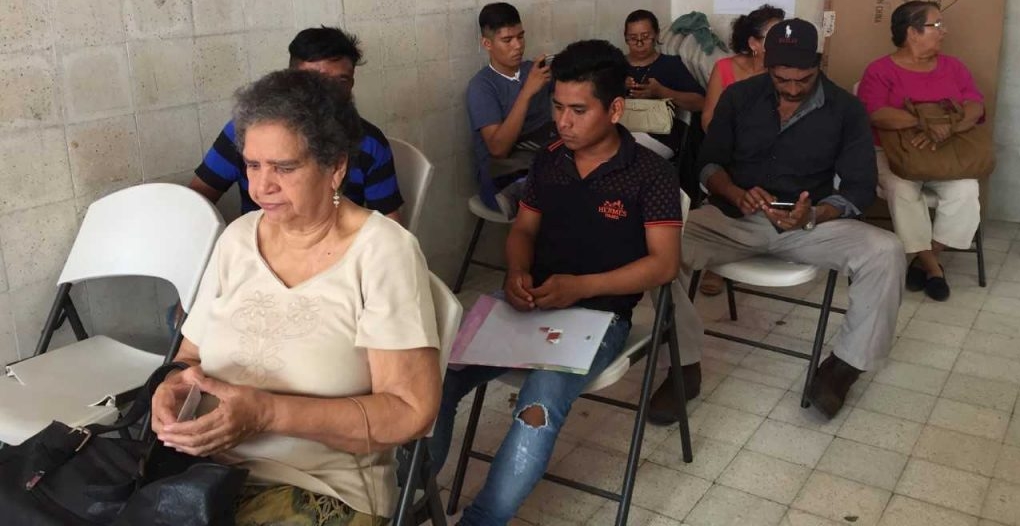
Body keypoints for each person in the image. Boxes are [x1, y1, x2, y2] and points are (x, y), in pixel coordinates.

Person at [152, 69, 440, 525]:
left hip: (321, 486)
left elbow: (409, 413)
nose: (261, 187)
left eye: (284, 168)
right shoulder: (238, 239)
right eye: (252, 165)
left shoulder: (383, 252)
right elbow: (189, 356)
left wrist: (266, 414)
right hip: (206, 475)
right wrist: (171, 389)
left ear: (336, 168)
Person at [430, 40, 686, 526]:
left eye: (578, 110)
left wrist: (580, 288)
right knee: (437, 375)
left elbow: (663, 265)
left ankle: (481, 521)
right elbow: (523, 231)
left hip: (600, 317)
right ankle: (413, 495)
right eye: (557, 107)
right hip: (532, 302)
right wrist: (516, 273)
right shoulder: (550, 159)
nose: (563, 122)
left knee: (539, 403)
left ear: (614, 110)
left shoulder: (649, 174)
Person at [684, 19, 904, 419]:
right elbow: (708, 162)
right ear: (767, 64)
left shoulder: (846, 109)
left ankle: (844, 368)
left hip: (809, 225)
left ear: (818, 64)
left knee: (885, 251)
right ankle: (682, 364)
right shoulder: (739, 97)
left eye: (803, 79)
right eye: (781, 78)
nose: (792, 89)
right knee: (663, 244)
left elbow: (859, 187)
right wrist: (734, 192)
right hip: (735, 218)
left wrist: (815, 213)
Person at [190, 27, 403, 221]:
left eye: (340, 82)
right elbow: (195, 202)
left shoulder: (369, 143)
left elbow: (390, 226)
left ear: (338, 167)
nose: (328, 93)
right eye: (254, 165)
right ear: (291, 80)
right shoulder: (247, 131)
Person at [857, 0, 985, 302]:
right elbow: (875, 113)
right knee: (902, 190)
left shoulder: (953, 67)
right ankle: (934, 269)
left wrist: (949, 128)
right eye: (936, 25)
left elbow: (975, 105)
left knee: (967, 190)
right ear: (912, 32)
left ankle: (924, 260)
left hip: (946, 151)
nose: (944, 31)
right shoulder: (880, 70)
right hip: (894, 154)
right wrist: (923, 123)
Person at [698, 4, 785, 296]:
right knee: (725, 178)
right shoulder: (726, 69)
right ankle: (717, 261)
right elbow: (708, 118)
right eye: (775, 36)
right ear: (754, 43)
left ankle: (764, 238)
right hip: (731, 151)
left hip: (773, 153)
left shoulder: (785, 74)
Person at [466, 2, 556, 217]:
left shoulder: (534, 70)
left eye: (521, 37)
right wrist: (527, 92)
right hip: (501, 175)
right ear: (487, 43)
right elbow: (498, 149)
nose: (518, 46)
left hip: (541, 157)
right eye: (507, 40)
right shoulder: (482, 86)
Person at [623, 9, 705, 158]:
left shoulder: (670, 65)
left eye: (645, 37)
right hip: (620, 129)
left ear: (656, 35)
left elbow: (700, 102)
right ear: (626, 38)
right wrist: (617, 85)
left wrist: (661, 92)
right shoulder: (617, 64)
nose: (639, 43)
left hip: (660, 136)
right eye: (633, 38)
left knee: (623, 151)